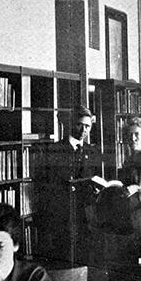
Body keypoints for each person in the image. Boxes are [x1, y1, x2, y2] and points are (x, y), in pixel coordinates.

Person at [33, 105, 102, 261]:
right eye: (80, 125)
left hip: (84, 215)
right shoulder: (54, 149)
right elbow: (46, 183)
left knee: (84, 257)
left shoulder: (91, 152)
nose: (84, 130)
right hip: (62, 215)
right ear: (71, 124)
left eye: (87, 126)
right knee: (63, 256)